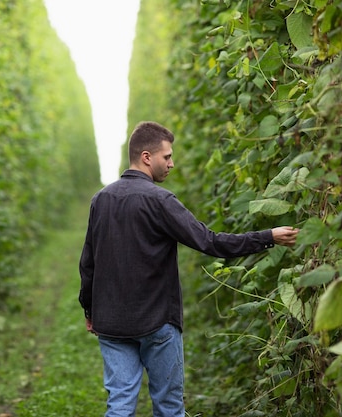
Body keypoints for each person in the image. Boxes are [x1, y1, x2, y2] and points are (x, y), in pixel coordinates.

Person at [78, 121, 299, 417]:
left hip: (112, 324)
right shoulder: (160, 200)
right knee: (169, 407)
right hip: (157, 320)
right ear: (146, 157)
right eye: (167, 157)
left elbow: (88, 263)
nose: (172, 163)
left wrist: (90, 311)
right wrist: (267, 237)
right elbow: (210, 242)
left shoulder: (100, 200)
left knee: (118, 404)